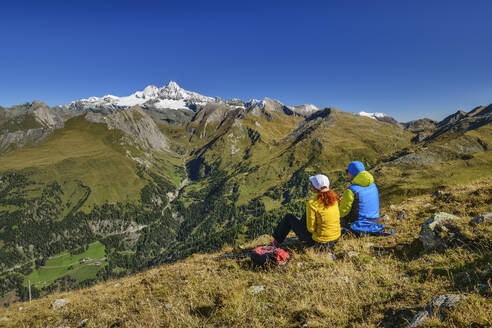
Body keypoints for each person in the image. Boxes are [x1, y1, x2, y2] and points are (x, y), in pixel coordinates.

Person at [271, 174, 341, 249]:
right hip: (335, 239)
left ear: (315, 187)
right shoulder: (334, 200)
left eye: (312, 184)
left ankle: (276, 242)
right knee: (307, 214)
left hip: (318, 244)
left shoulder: (312, 204)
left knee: (288, 217)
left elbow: (311, 229)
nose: (311, 185)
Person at [339, 161, 380, 228]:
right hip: (374, 223)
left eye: (347, 171)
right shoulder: (373, 185)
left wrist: (339, 203)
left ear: (351, 173)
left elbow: (342, 212)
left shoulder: (351, 191)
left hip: (358, 226)